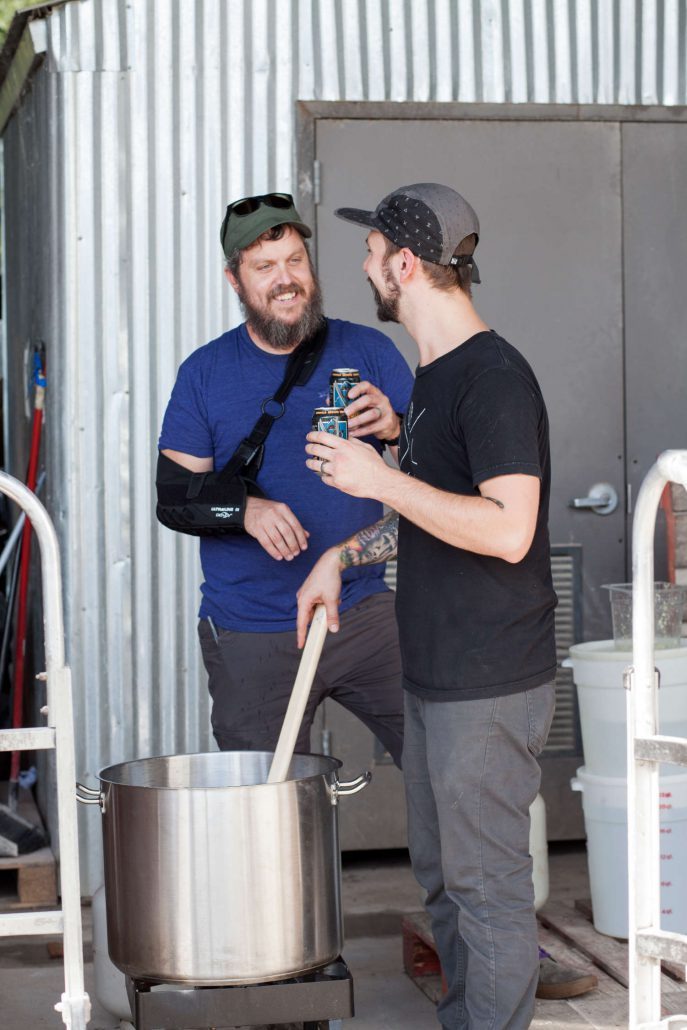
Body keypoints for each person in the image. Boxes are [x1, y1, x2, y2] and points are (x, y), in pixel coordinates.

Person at [297, 182, 564, 1029]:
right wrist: (344, 553)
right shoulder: (432, 380)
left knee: (485, 893)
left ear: (405, 265)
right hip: (438, 681)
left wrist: (379, 478)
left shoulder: (491, 378)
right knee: (446, 884)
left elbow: (508, 530)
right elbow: (425, 520)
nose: (364, 268)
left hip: (488, 688)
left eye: (372, 255)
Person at [157, 191, 413, 767]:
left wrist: (396, 429)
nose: (286, 279)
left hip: (364, 611)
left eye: (296, 260)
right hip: (252, 630)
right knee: (262, 807)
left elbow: (439, 482)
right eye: (265, 267)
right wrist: (245, 510)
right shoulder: (204, 374)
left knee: (439, 760)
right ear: (235, 280)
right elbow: (172, 499)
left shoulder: (369, 350)